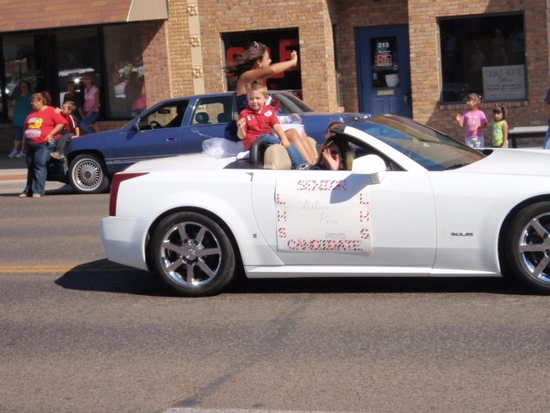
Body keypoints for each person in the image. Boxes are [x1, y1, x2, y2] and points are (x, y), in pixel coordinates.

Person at [224, 41, 316, 164]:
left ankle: (316, 165)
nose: (270, 60)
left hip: (264, 126)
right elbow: (273, 70)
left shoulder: (256, 81)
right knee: (292, 133)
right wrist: (293, 62)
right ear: (259, 62)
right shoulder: (246, 77)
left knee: (300, 131)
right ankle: (307, 167)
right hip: (253, 130)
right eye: (267, 58)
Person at [237, 81, 307, 168]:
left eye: (257, 98)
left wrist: (284, 138)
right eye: (251, 99)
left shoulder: (269, 111)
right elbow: (242, 136)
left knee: (286, 144)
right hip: (255, 142)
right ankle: (300, 165)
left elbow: (277, 126)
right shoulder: (245, 114)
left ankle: (297, 164)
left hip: (267, 140)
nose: (254, 101)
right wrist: (240, 128)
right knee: (265, 136)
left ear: (266, 98)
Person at [19, 91, 67, 198]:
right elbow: (26, 130)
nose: (32, 104)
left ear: (40, 101)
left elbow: (61, 123)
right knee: (31, 166)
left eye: (33, 101)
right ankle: (28, 190)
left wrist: (51, 134)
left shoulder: (51, 111)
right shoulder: (31, 114)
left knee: (39, 165)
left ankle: (38, 190)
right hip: (30, 143)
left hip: (44, 144)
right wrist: (23, 144)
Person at [8, 80, 32, 158]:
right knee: (17, 136)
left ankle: (23, 151)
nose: (23, 88)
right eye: (21, 86)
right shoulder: (18, 97)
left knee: (25, 136)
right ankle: (15, 150)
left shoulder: (31, 96)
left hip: (26, 119)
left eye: (25, 86)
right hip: (18, 120)